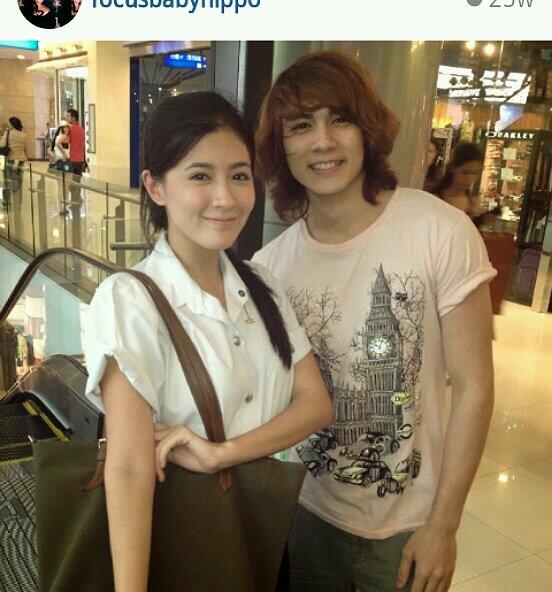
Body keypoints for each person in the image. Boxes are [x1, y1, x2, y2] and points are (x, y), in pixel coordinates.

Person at [253, 51, 495, 592]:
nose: (323, 141)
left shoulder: (439, 230)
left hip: (408, 530)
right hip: (304, 515)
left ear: (367, 130)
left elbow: (475, 387)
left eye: (339, 119)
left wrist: (444, 526)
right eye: (301, 125)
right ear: (281, 146)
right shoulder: (271, 268)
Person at [82, 91, 333, 592]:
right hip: (183, 543)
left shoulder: (262, 285)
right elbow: (129, 467)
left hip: (259, 531)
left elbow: (315, 405)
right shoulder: (130, 299)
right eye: (200, 176)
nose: (226, 197)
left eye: (239, 176)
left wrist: (222, 453)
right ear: (155, 186)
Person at [430, 141, 484, 218]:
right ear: (453, 169)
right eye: (464, 172)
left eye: (474, 173)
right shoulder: (436, 198)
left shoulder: (471, 202)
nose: (469, 179)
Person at [65, 108, 86, 176]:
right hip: (80, 159)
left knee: (69, 179)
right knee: (77, 179)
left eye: (68, 116)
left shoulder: (69, 129)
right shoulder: (82, 130)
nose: (67, 118)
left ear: (73, 118)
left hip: (72, 159)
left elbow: (65, 142)